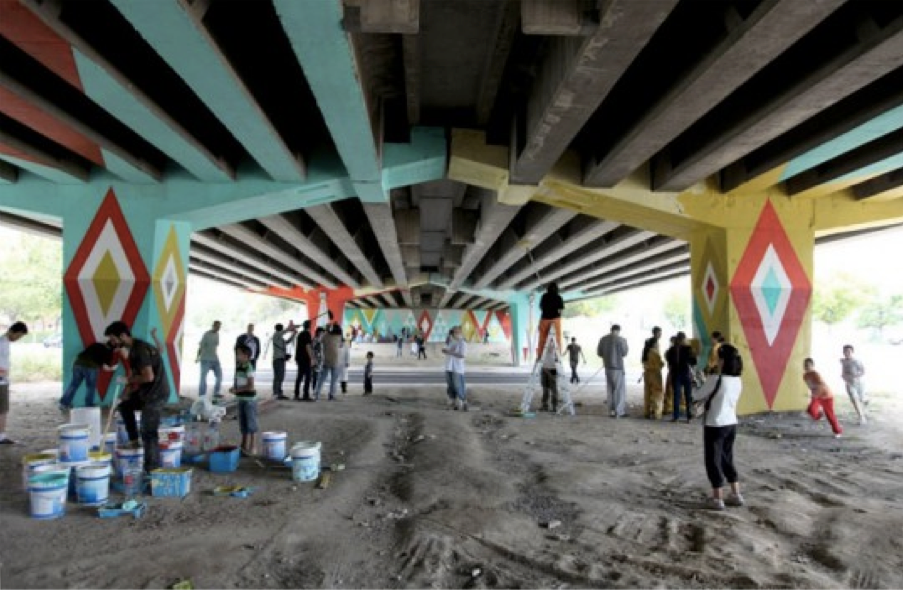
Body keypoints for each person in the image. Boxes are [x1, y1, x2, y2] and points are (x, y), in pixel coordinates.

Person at [104, 320, 169, 474]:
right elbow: (135, 376)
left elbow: (148, 377)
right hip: (146, 392)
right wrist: (123, 396)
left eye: (113, 339)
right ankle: (133, 441)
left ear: (123, 336)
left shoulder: (140, 350)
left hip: (156, 394)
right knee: (125, 406)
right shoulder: (133, 350)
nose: (112, 343)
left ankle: (152, 469)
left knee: (148, 431)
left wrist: (128, 380)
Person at [692, 343, 744, 511]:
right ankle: (736, 494)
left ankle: (717, 498)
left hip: (715, 424)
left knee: (713, 460)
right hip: (731, 423)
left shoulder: (716, 379)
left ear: (723, 361)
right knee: (727, 457)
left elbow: (697, 395)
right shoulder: (737, 380)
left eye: (719, 358)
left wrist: (697, 381)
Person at [58, 341, 119, 411]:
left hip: (78, 363)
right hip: (91, 367)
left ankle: (63, 404)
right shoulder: (109, 352)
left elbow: (80, 355)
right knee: (90, 387)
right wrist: (113, 368)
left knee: (74, 385)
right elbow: (106, 367)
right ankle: (88, 405)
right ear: (114, 349)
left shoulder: (95, 344)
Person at [0, 321, 29, 444]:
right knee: (2, 409)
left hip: (3, 379)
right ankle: (1, 436)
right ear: (12, 331)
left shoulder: (4, 342)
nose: (18, 339)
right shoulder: (2, 343)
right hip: (1, 380)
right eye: (18, 336)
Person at [803, 358, 843, 438]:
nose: (807, 367)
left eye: (809, 366)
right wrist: (812, 394)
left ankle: (837, 431)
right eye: (805, 366)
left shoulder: (816, 374)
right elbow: (810, 386)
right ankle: (819, 415)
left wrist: (815, 394)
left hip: (826, 396)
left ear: (812, 366)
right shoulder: (805, 376)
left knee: (830, 415)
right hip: (816, 395)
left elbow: (821, 385)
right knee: (811, 410)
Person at [230, 344, 258, 456]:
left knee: (251, 423)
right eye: (237, 354)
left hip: (249, 400)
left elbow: (251, 386)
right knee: (243, 424)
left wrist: (237, 390)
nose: (237, 356)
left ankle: (253, 446)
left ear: (246, 356)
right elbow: (238, 381)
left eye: (239, 354)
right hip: (241, 399)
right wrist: (234, 388)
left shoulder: (249, 367)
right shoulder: (239, 366)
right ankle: (244, 446)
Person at [597, 324, 629, 418]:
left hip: (607, 368)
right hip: (618, 368)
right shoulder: (621, 340)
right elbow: (624, 353)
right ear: (618, 330)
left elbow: (599, 353)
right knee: (618, 390)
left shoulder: (603, 339)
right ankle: (619, 411)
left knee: (610, 390)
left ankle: (611, 411)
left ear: (611, 330)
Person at [664, 331, 696, 423]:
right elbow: (694, 362)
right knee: (687, 396)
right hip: (685, 374)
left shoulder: (671, 350)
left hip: (676, 374)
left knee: (677, 396)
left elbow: (669, 363)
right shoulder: (688, 349)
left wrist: (670, 375)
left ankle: (676, 417)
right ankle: (688, 417)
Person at [840, 344, 867, 425]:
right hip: (849, 383)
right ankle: (861, 417)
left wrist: (856, 376)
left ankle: (865, 401)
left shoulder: (857, 361)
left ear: (852, 352)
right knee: (854, 400)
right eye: (845, 351)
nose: (847, 353)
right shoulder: (843, 361)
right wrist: (843, 376)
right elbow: (843, 370)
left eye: (849, 351)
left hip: (859, 383)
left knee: (861, 399)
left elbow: (863, 371)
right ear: (843, 352)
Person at [442, 326, 468, 411]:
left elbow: (462, 355)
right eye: (454, 332)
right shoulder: (449, 340)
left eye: (458, 332)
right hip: (448, 366)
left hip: (458, 368)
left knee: (458, 385)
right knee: (450, 385)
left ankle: (463, 401)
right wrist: (445, 350)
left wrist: (450, 352)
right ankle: (452, 401)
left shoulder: (462, 342)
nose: (456, 334)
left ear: (460, 332)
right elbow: (445, 348)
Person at [641, 327, 665, 420]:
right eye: (659, 333)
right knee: (657, 393)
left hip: (647, 374)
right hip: (655, 374)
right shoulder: (655, 352)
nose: (660, 335)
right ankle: (657, 413)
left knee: (647, 393)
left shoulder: (645, 352)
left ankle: (646, 412)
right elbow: (660, 364)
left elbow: (643, 362)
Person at [315, 324, 343, 401]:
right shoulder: (339, 337)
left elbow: (319, 340)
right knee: (334, 380)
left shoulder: (325, 336)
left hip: (326, 360)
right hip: (335, 360)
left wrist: (326, 330)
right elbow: (341, 345)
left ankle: (317, 394)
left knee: (322, 378)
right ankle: (331, 395)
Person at [536, 282, 564, 359]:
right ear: (557, 289)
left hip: (544, 319)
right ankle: (558, 356)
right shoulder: (559, 297)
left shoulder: (544, 296)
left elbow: (541, 307)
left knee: (542, 338)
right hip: (555, 320)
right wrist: (558, 316)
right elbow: (560, 310)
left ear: (548, 289)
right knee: (557, 337)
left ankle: (540, 355)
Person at [270, 321, 297, 400]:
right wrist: (290, 328)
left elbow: (287, 342)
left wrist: (294, 333)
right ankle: (277, 393)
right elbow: (284, 332)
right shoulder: (276, 335)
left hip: (281, 359)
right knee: (278, 377)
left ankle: (278, 392)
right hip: (278, 359)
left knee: (280, 377)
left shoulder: (280, 338)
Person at [197, 320, 222, 399]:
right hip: (205, 359)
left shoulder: (217, 335)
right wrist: (198, 357)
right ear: (213, 325)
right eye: (217, 326)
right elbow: (201, 346)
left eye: (219, 326)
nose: (218, 328)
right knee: (203, 377)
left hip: (214, 358)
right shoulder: (206, 334)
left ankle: (216, 392)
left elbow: (216, 346)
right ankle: (202, 394)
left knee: (219, 375)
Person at [293, 320, 315, 401]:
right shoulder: (307, 334)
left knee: (299, 376)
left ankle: (296, 394)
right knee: (308, 377)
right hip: (305, 358)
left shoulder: (300, 334)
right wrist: (312, 358)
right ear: (309, 326)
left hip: (299, 358)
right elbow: (308, 346)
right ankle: (305, 395)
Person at [539, 337, 559, 412]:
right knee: (545, 388)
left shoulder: (554, 343)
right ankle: (545, 405)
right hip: (544, 368)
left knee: (553, 389)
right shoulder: (544, 342)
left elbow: (556, 356)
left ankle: (554, 406)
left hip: (552, 368)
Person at [310, 326, 326, 394]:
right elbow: (312, 349)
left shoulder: (320, 340)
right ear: (319, 332)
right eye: (322, 332)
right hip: (316, 360)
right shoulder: (315, 339)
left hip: (320, 360)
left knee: (318, 375)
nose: (323, 334)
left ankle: (317, 389)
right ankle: (314, 389)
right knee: (315, 376)